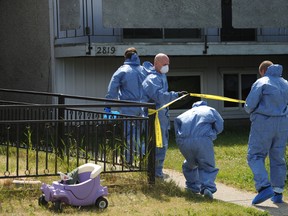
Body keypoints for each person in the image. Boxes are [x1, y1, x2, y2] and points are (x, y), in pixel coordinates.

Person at [244, 60, 288, 205]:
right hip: (283, 124)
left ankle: (264, 187)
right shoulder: (286, 83)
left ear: (263, 71)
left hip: (263, 123)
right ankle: (278, 192)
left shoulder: (261, 82)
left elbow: (249, 106)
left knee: (254, 155)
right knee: (278, 157)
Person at [142, 53, 188, 179]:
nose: (167, 67)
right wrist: (176, 95)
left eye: (168, 64)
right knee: (158, 144)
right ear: (156, 63)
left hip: (161, 117)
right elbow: (160, 96)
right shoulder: (152, 79)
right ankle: (155, 173)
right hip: (155, 118)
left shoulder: (161, 76)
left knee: (161, 144)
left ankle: (156, 172)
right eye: (164, 64)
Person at [174, 101, 223, 199]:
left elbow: (176, 128)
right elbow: (220, 125)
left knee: (189, 164)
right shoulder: (210, 110)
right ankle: (207, 188)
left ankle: (192, 187)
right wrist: (213, 134)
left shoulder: (184, 114)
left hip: (183, 141)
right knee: (207, 165)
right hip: (202, 139)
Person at [105, 47, 147, 164]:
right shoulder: (144, 70)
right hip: (144, 107)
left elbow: (112, 89)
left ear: (125, 57)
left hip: (128, 107)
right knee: (141, 133)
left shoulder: (122, 71)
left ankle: (130, 160)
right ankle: (143, 156)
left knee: (129, 134)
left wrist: (108, 106)